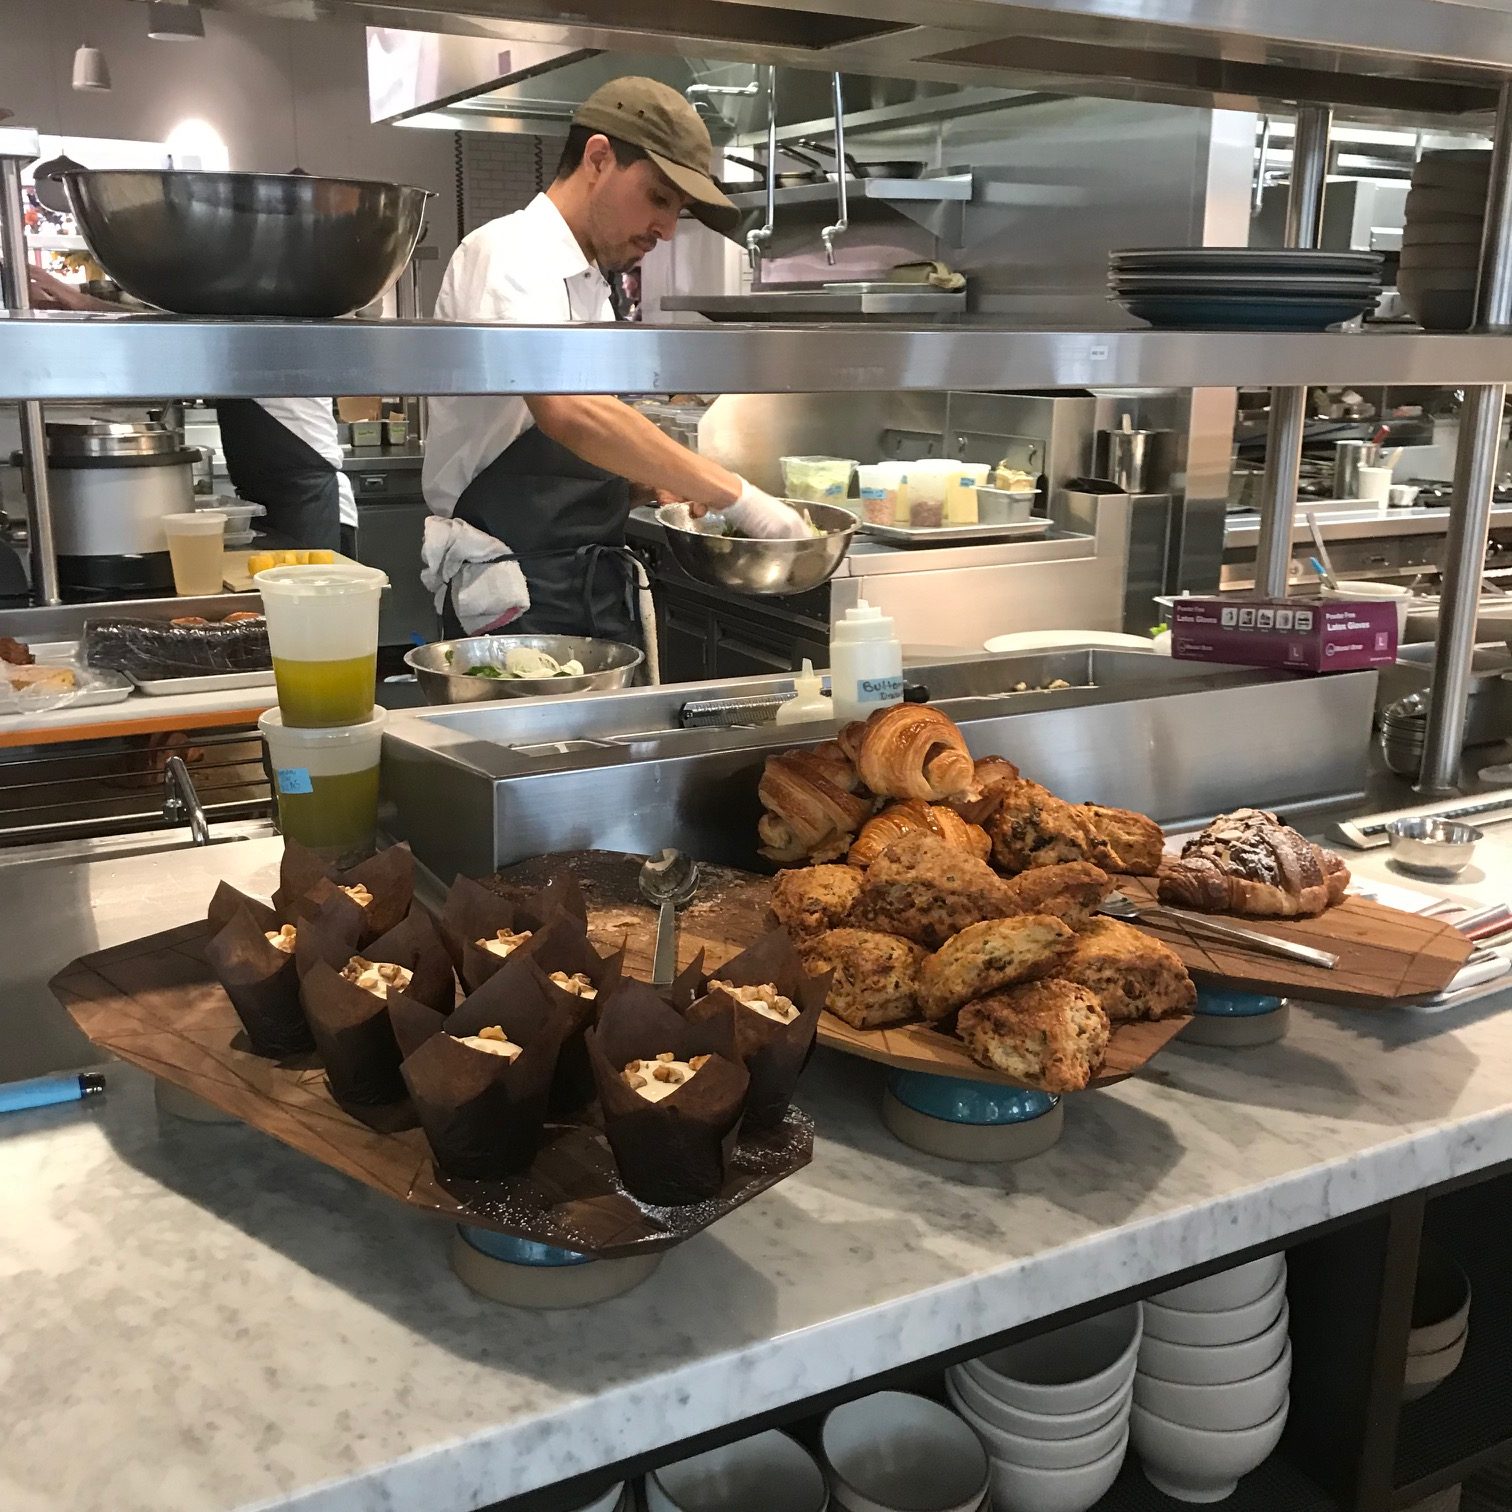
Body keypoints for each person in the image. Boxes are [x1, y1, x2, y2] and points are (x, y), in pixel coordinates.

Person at [422, 75, 806, 644]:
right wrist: (739, 497)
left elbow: (555, 447)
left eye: (677, 209)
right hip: (510, 588)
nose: (667, 230)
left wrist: (635, 482)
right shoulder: (512, 253)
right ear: (599, 158)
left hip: (582, 577)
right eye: (659, 198)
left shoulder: (591, 286)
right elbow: (569, 412)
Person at [25, 268, 356, 554]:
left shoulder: (272, 320)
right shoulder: (241, 321)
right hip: (272, 507)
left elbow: (169, 336)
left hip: (314, 509)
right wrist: (80, 305)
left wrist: (81, 303)